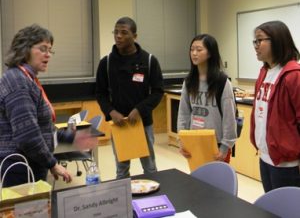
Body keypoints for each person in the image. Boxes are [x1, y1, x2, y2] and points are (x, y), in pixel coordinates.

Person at [0, 24, 95, 187]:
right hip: (20, 168)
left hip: (31, 164)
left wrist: (72, 138)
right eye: (43, 49)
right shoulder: (18, 81)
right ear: (25, 49)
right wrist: (52, 163)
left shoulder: (28, 79)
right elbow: (27, 135)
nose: (48, 55)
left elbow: (42, 129)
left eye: (50, 50)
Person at [95, 17, 164, 179]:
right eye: (116, 32)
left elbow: (158, 91)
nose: (118, 36)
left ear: (135, 36)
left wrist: (139, 110)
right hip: (119, 124)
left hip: (142, 123)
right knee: (122, 170)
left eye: (124, 32)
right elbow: (100, 93)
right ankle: (123, 202)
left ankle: (154, 200)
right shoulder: (106, 63)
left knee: (150, 168)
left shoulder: (149, 61)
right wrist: (111, 112)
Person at [250, 20, 300, 192]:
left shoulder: (294, 76)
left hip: (287, 164)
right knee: (271, 208)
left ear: (277, 40)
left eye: (260, 40)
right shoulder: (264, 72)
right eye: (254, 41)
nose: (255, 46)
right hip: (265, 157)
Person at [177, 34, 237, 163]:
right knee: (197, 181)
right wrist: (182, 140)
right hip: (194, 141)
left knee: (216, 182)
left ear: (210, 53)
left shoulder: (222, 82)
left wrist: (225, 147)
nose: (194, 53)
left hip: (217, 144)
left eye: (199, 50)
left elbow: (229, 117)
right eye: (192, 49)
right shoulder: (189, 82)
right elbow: (184, 113)